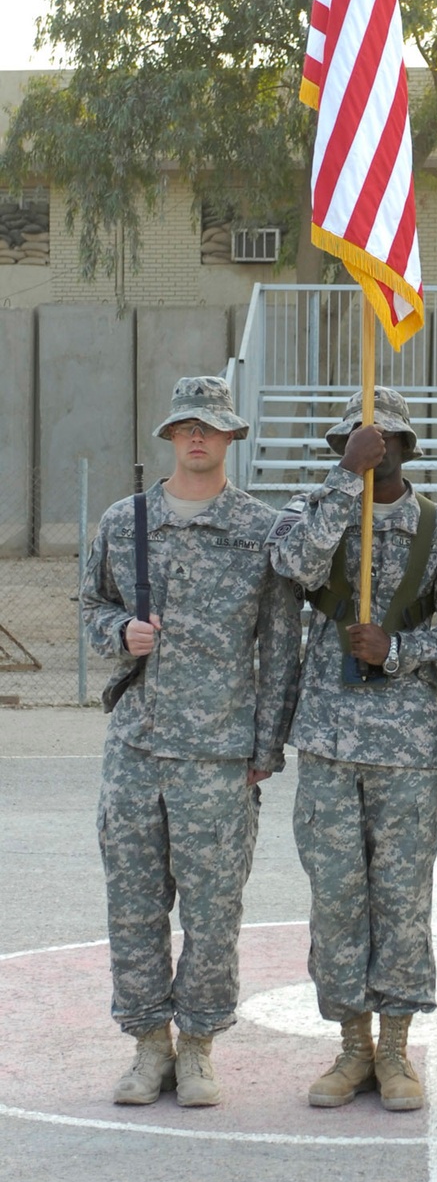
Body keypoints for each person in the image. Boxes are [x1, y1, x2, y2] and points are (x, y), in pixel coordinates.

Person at [82, 377, 301, 1107]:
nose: (196, 438)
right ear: (171, 437)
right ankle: (149, 1046)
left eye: (209, 427)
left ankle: (199, 1045)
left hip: (219, 753)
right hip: (137, 748)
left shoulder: (260, 530)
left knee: (212, 910)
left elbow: (280, 648)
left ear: (232, 437)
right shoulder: (125, 522)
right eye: (185, 427)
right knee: (135, 904)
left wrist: (265, 749)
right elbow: (91, 605)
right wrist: (119, 632)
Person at [266, 387, 437, 1112]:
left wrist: (397, 650)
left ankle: (395, 1050)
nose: (372, 450)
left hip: (407, 748)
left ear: (407, 446)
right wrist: (341, 483)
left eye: (385, 439)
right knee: (336, 899)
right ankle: (351, 1046)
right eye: (358, 442)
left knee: (401, 900)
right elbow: (292, 566)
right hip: (327, 740)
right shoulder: (313, 512)